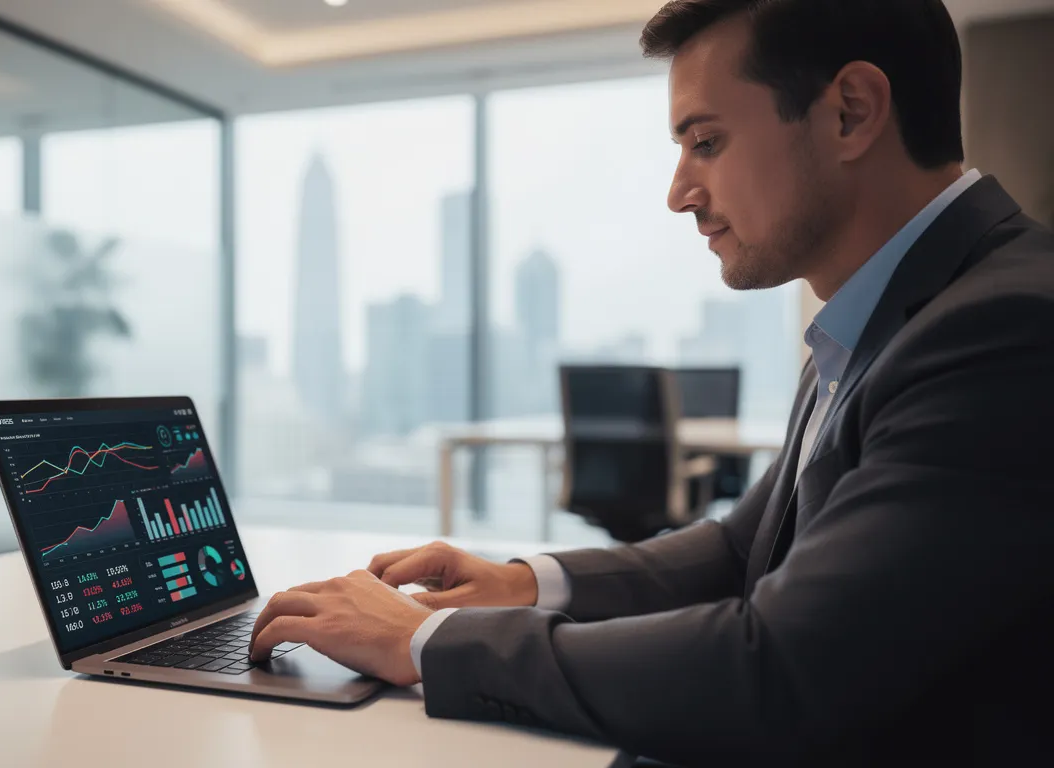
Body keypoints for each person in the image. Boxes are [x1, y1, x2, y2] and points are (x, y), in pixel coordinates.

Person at [247, 0, 1054, 764]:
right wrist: (519, 584)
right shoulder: (872, 324)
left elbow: (781, 669)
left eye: (706, 141)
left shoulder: (1006, 327)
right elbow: (741, 549)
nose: (679, 194)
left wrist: (424, 640)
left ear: (850, 112)